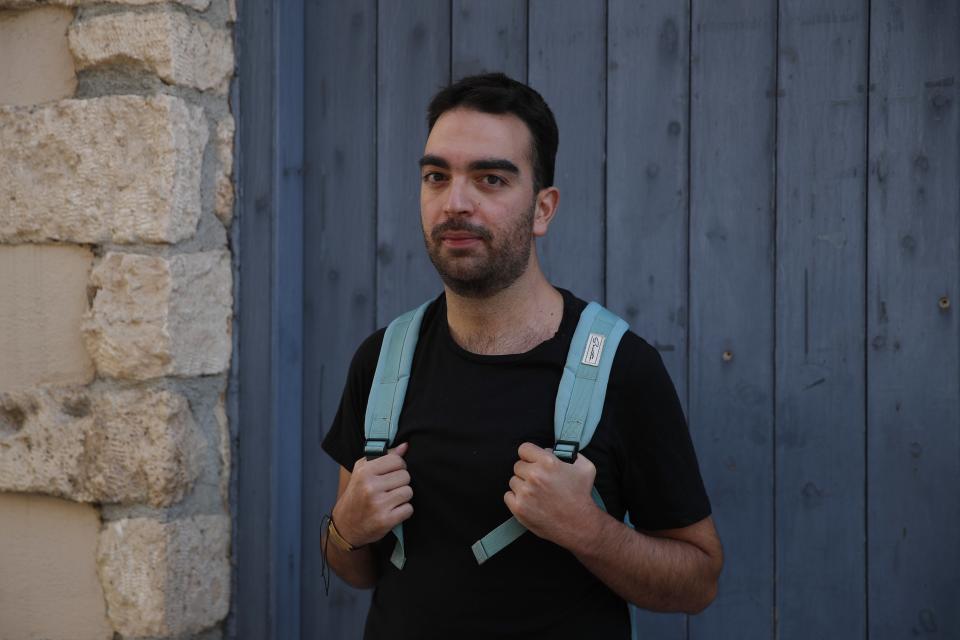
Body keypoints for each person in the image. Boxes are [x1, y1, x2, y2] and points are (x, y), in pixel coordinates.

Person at [321, 72, 722, 639]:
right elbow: (352, 568)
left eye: (490, 179)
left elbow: (699, 581)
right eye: (437, 176)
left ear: (542, 209)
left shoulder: (622, 369)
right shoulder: (382, 361)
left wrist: (589, 529)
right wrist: (345, 529)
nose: (455, 203)